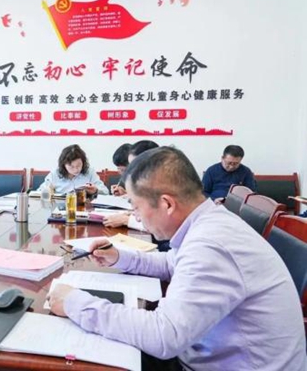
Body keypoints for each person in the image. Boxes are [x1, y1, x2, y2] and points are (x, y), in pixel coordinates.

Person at [48, 147, 306, 371]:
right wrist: (120, 258)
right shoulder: (211, 222)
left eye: (136, 207)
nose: (136, 217)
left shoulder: (211, 244)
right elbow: (172, 263)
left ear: (167, 204)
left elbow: (164, 336)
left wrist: (74, 302)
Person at [37, 144, 108, 197]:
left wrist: (95, 190)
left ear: (83, 162)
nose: (76, 169)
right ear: (64, 165)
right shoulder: (55, 174)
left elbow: (106, 192)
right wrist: (47, 191)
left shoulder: (90, 172)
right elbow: (38, 193)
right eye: (71, 167)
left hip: (84, 209)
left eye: (79, 165)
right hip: (60, 210)